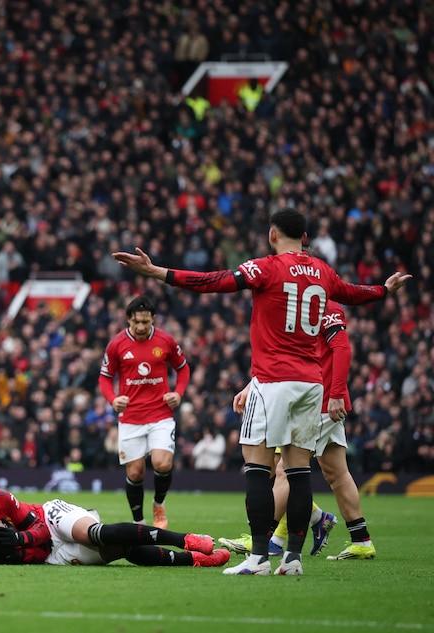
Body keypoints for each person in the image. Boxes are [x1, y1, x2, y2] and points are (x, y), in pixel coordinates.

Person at [113, 208, 410, 575]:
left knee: (258, 467)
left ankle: (257, 557)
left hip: (272, 382)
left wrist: (157, 272)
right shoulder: (322, 271)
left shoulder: (266, 267)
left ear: (273, 234)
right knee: (300, 472)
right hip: (311, 384)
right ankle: (294, 559)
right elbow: (352, 294)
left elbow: (213, 281)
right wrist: (384, 289)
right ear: (304, 237)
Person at [220, 300, 374, 560]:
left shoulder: (325, 306)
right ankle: (361, 539)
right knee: (336, 471)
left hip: (317, 402)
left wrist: (336, 393)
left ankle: (264, 538)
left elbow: (341, 348)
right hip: (308, 397)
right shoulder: (295, 306)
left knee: (285, 469)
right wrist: (252, 385)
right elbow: (283, 356)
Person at [0, 488, 229, 568]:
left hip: (50, 518)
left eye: (1, 526)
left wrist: (19, 537)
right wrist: (19, 547)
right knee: (119, 549)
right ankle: (192, 560)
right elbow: (38, 554)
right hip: (50, 555)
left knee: (96, 534)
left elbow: (41, 529)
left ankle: (187, 540)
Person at [99, 296, 190, 529]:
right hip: (130, 417)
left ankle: (159, 504)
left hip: (160, 414)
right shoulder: (116, 344)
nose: (141, 327)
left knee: (162, 463)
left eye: (146, 322)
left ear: (153, 320)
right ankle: (138, 523)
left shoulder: (166, 341)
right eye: (136, 322)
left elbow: (183, 368)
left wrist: (178, 393)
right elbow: (105, 377)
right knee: (136, 472)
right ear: (129, 319)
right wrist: (112, 399)